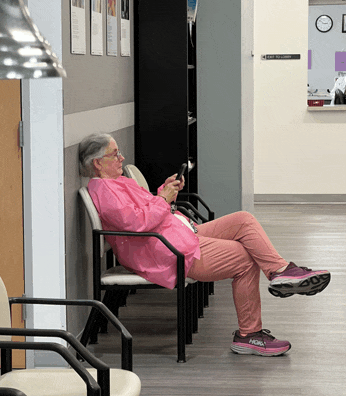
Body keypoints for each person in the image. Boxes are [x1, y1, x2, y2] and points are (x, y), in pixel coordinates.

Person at [79, 133, 331, 357]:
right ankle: (249, 335)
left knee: (244, 220)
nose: (121, 158)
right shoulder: (104, 190)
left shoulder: (117, 183)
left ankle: (280, 271)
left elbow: (145, 209)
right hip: (166, 249)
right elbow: (138, 223)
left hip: (176, 232)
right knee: (244, 258)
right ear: (98, 163)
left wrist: (165, 191)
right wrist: (163, 201)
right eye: (115, 155)